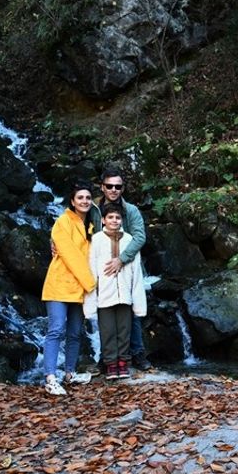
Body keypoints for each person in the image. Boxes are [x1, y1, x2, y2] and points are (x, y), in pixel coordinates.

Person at [40, 183, 98, 396]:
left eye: (88, 197)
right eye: (80, 197)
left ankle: (70, 373)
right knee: (56, 329)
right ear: (72, 201)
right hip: (60, 284)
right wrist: (92, 284)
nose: (84, 201)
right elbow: (71, 256)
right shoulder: (62, 222)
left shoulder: (91, 225)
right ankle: (50, 378)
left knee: (75, 332)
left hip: (79, 288)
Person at [92, 168, 153, 370]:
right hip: (102, 270)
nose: (113, 190)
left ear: (122, 188)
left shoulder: (131, 211)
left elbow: (140, 237)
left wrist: (122, 259)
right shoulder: (93, 210)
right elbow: (79, 231)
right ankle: (107, 358)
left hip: (127, 267)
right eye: (109, 186)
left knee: (131, 313)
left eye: (118, 186)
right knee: (106, 315)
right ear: (103, 186)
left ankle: (136, 354)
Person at [85, 202, 147, 380]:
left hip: (125, 295)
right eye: (110, 217)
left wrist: (138, 301)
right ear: (103, 220)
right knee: (108, 330)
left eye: (117, 217)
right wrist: (91, 300)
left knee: (124, 330)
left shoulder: (128, 239)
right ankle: (111, 364)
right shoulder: (96, 240)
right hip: (104, 294)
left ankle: (123, 363)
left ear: (122, 220)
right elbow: (92, 269)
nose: (114, 220)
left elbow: (136, 271)